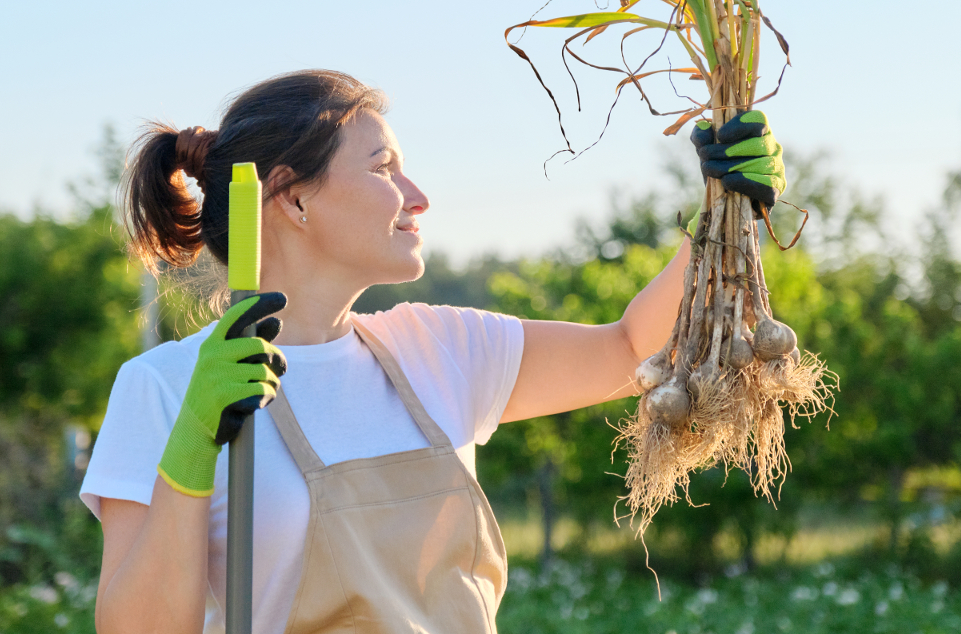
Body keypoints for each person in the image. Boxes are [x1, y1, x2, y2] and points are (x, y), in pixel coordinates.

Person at [81, 69, 785, 634]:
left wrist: (726, 218)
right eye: (384, 167)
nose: (417, 197)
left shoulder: (436, 348)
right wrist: (194, 442)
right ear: (292, 200)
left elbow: (630, 349)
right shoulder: (167, 387)